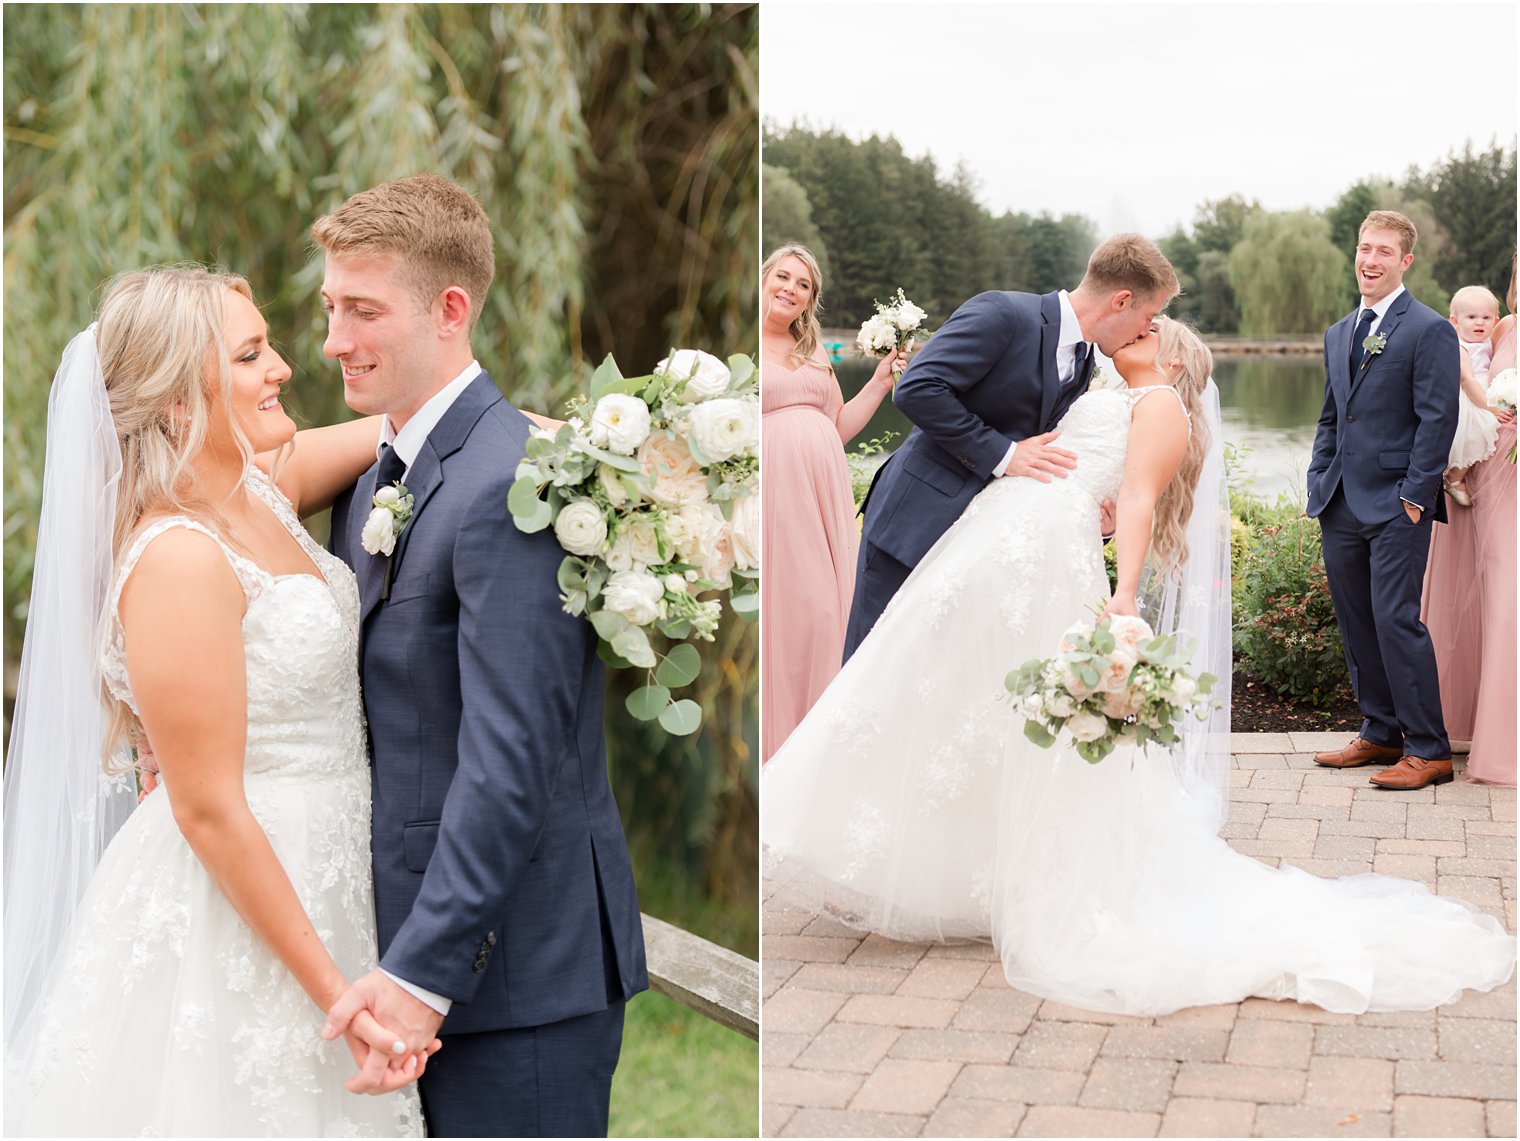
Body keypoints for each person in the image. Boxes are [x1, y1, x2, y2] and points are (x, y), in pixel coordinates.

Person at [762, 318, 1515, 1016]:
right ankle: (950, 860)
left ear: (1175, 356)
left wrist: (1123, 594)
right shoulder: (1099, 384)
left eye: (1151, 326)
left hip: (1050, 558)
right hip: (1007, 540)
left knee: (1033, 717)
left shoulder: (1158, 404)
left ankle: (1034, 872)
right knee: (961, 697)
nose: (1134, 329)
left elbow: (1138, 497)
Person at [3, 267, 433, 1135]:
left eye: (268, 341)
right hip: (237, 901)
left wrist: (533, 431)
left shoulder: (255, 487)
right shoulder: (176, 555)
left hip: (330, 864)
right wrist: (337, 995)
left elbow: (384, 435)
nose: (283, 365)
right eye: (248, 354)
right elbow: (205, 806)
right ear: (172, 402)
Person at [313, 175, 648, 1138]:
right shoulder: (383, 473)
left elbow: (511, 764)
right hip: (424, 950)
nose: (334, 339)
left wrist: (421, 976)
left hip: (515, 980)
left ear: (450, 310)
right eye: (332, 306)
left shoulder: (512, 485)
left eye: (363, 310)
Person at [842, 232, 1173, 660]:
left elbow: (1047, 454)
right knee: (872, 666)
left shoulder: (1085, 358)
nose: (1150, 329)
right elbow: (919, 388)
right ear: (1122, 300)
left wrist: (1096, 520)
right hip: (915, 523)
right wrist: (1005, 454)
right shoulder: (1003, 312)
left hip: (980, 544)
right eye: (1151, 314)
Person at [1309, 211, 1460, 791]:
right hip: (1340, 501)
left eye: (1383, 252)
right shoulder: (1339, 331)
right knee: (1356, 621)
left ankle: (1429, 749)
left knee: (1396, 621)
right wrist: (1318, 478)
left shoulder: (1428, 329)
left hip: (1399, 504)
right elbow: (1331, 416)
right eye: (1364, 248)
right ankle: (1381, 732)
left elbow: (1436, 419)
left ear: (1405, 261)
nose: (1369, 260)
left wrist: (1416, 497)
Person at [760, 244, 900, 759]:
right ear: (764, 278)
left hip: (824, 497)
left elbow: (838, 427)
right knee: (796, 611)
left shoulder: (813, 352)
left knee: (827, 612)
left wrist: (881, 383)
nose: (790, 289)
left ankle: (819, 743)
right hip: (778, 496)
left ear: (809, 301)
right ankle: (779, 743)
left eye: (803, 285)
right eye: (783, 276)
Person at [1463, 260, 1517, 785]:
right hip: (1490, 468)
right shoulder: (1501, 326)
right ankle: (1468, 722)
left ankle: (1508, 742)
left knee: (1509, 594)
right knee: (1485, 590)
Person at [1441, 285, 1502, 505]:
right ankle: (1454, 477)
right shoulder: (1459, 346)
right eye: (1472, 317)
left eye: (1486, 317)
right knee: (1481, 428)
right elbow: (1467, 379)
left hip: (1482, 389)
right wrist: (1488, 406)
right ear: (1455, 321)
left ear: (1495, 322)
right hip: (1469, 395)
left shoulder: (1488, 342)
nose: (1479, 322)